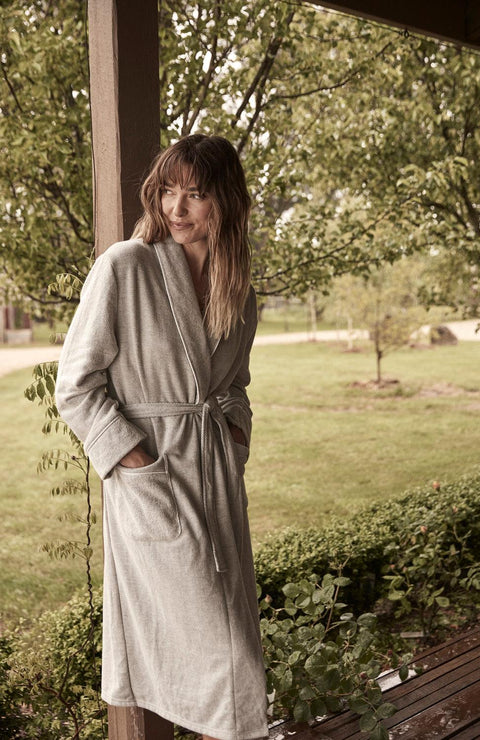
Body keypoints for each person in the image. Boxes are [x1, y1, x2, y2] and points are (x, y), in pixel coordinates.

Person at [55, 134, 268, 740]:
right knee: (223, 660)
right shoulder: (126, 266)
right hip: (152, 481)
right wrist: (135, 459)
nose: (176, 207)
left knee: (227, 652)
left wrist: (233, 438)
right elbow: (76, 385)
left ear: (225, 200)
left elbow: (234, 384)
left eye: (195, 194)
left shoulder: (237, 290)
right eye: (168, 190)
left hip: (213, 477)